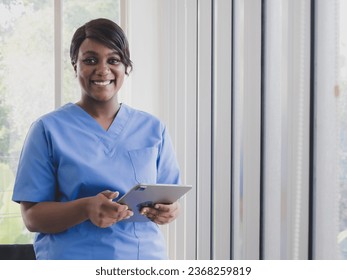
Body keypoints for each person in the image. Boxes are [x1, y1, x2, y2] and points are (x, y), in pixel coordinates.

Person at [12, 18, 181, 260]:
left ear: (126, 67)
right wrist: (85, 208)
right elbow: (32, 217)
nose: (102, 70)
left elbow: (169, 199)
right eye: (90, 60)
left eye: (114, 60)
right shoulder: (47, 129)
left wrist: (169, 211)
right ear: (75, 66)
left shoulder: (153, 128)